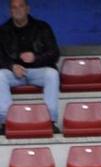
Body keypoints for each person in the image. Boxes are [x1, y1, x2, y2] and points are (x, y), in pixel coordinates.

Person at [0, 0, 60, 134]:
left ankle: (50, 120)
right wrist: (11, 66)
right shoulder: (3, 31)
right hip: (14, 74)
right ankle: (6, 121)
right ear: (10, 11)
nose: (18, 10)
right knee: (0, 76)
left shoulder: (42, 27)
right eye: (14, 8)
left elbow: (55, 53)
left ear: (28, 9)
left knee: (52, 74)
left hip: (38, 70)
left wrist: (36, 58)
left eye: (21, 6)